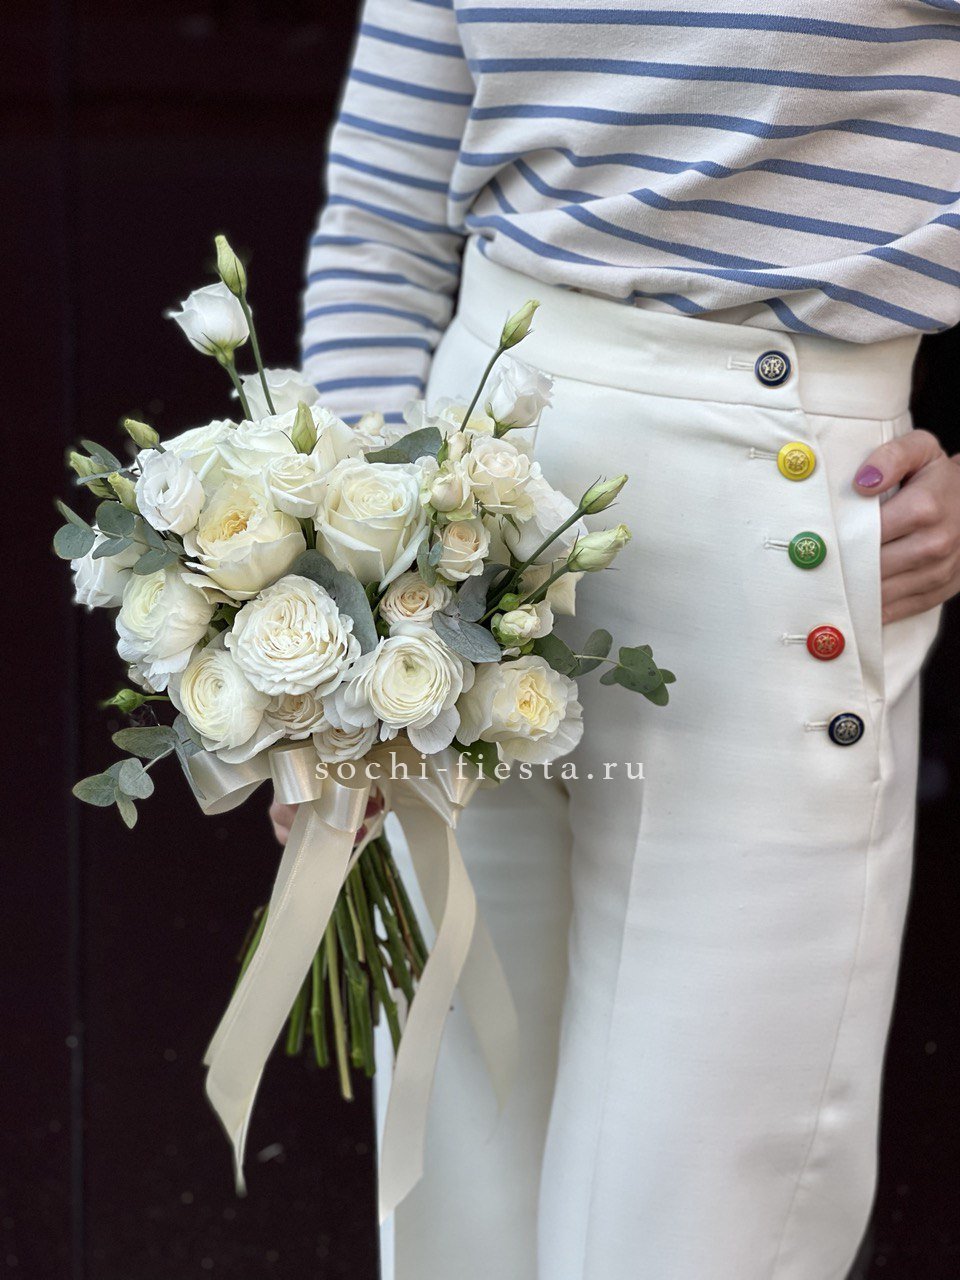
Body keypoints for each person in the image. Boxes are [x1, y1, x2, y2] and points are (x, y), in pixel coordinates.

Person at [271, 3, 960, 1277]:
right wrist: (343, 586)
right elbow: (381, 219)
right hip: (452, 514)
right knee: (459, 1180)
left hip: (775, 501)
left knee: (695, 1209)